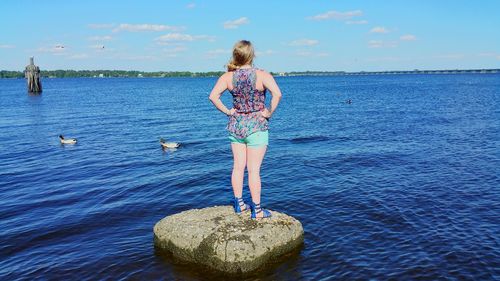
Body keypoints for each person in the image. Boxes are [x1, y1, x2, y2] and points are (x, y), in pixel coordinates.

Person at [209, 40, 282, 219]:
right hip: (257, 126)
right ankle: (256, 211)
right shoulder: (262, 75)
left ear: (236, 55)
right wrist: (269, 112)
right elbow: (277, 94)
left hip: (236, 126)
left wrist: (228, 111)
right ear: (251, 55)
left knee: (238, 167)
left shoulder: (228, 77)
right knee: (254, 170)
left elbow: (213, 96)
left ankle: (239, 204)